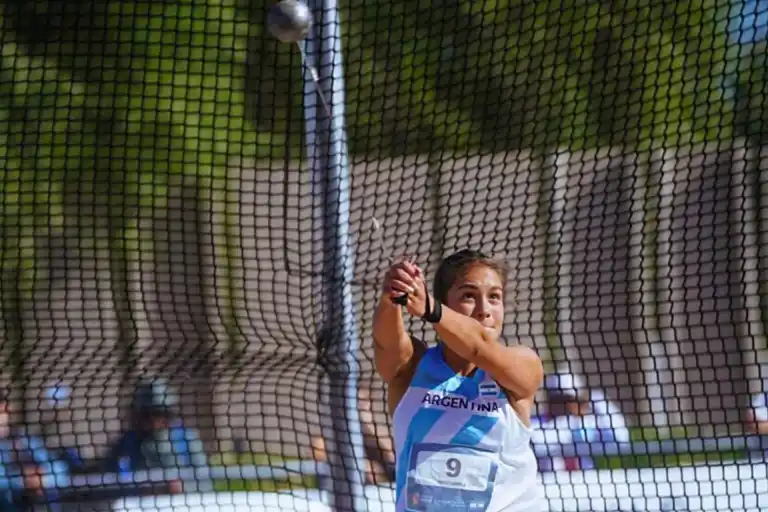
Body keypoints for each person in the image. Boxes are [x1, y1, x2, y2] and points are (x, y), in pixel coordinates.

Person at [372, 250, 544, 512]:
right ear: (445, 301)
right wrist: (392, 295)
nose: (485, 310)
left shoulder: (522, 364)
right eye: (468, 296)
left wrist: (431, 309)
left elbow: (479, 347)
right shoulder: (413, 367)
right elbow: (386, 343)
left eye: (494, 297)